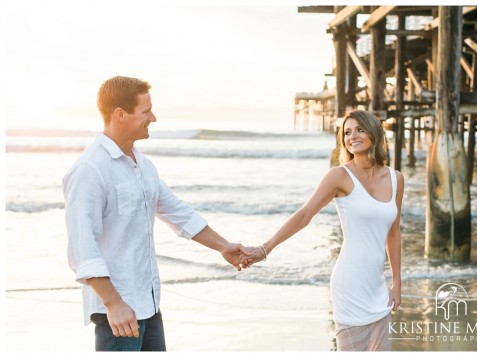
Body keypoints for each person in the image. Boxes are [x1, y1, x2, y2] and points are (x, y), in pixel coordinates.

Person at [62, 76, 248, 351]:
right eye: (146, 111)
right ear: (120, 114)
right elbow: (82, 248)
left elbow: (177, 212)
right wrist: (114, 304)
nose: (154, 117)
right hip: (117, 314)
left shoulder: (143, 165)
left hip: (149, 304)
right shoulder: (90, 170)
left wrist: (223, 247)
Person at [242, 110, 404, 351]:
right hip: (349, 285)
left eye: (359, 129)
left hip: (378, 287)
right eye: (347, 132)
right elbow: (304, 215)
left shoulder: (396, 178)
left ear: (374, 133)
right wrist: (265, 248)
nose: (353, 136)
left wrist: (397, 282)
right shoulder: (339, 176)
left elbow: (393, 232)